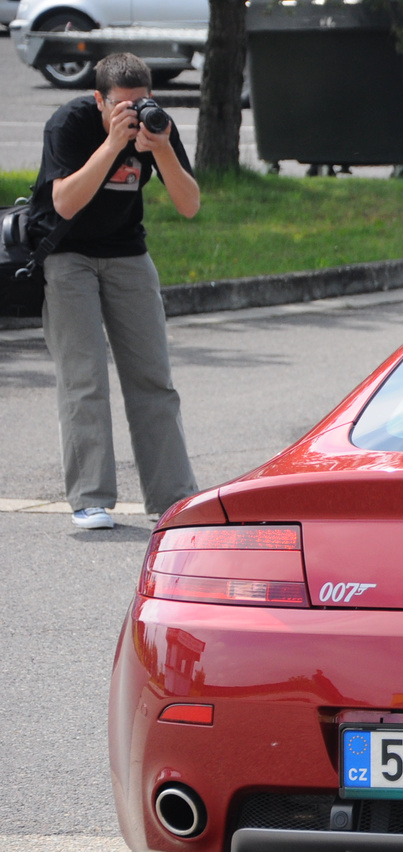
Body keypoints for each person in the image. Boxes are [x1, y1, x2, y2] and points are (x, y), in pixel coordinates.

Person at [33, 52, 201, 531]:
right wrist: (111, 146)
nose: (134, 113)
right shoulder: (69, 124)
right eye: (123, 106)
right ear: (98, 100)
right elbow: (64, 203)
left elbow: (189, 205)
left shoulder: (157, 125)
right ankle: (91, 498)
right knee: (84, 377)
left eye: (143, 102)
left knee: (154, 378)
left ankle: (173, 496)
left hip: (128, 253)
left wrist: (162, 149)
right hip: (69, 255)